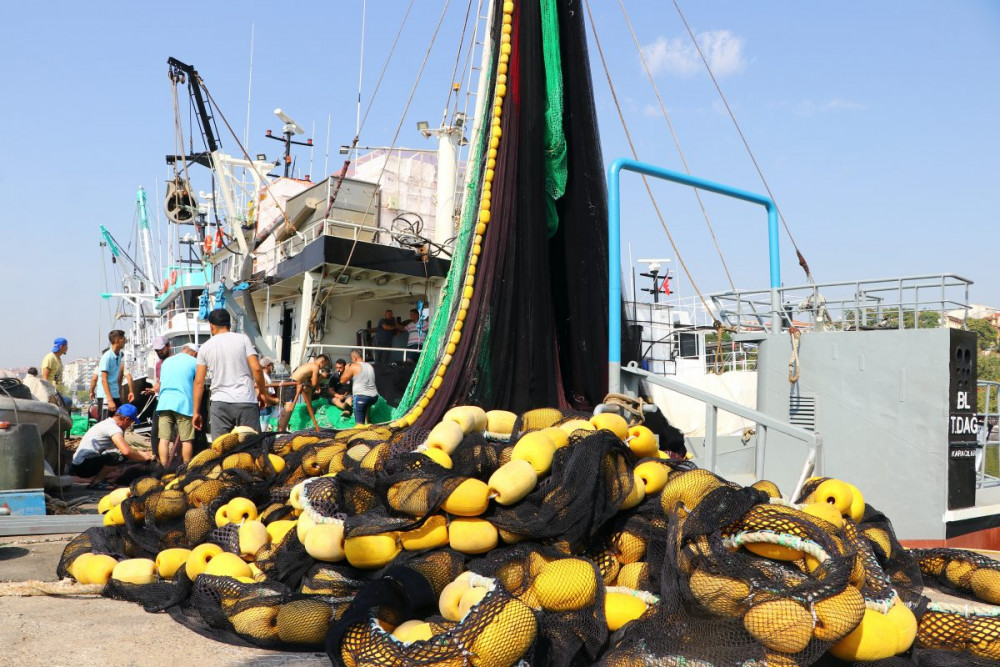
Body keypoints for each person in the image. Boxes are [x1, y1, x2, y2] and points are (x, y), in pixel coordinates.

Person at [192, 309, 276, 440]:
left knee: (221, 449)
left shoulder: (205, 347)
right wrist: (263, 394)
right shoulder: (243, 340)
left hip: (219, 404)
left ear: (211, 326)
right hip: (245, 401)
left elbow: (198, 382)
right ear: (229, 325)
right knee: (252, 447)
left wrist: (196, 412)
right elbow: (257, 369)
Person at [70, 404, 152, 489]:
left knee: (116, 453)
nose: (130, 425)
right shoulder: (114, 428)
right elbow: (126, 451)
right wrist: (144, 457)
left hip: (79, 463)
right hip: (83, 466)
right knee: (118, 455)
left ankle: (100, 479)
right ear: (126, 419)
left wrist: (140, 453)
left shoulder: (107, 423)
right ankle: (96, 483)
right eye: (131, 422)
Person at [155, 343, 199, 467]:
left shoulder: (166, 362)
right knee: (186, 440)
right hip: (183, 404)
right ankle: (186, 468)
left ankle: (164, 468)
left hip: (164, 403)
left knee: (164, 439)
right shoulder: (194, 362)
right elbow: (198, 382)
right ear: (194, 353)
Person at [276, 354, 331, 432]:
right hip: (292, 384)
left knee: (289, 407)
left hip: (291, 382)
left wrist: (315, 385)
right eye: (325, 365)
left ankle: (281, 429)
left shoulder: (308, 365)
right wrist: (321, 377)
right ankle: (281, 430)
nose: (323, 367)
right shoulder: (315, 367)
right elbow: (314, 384)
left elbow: (310, 382)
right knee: (288, 409)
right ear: (322, 362)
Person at [95, 330, 135, 420]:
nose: (125, 341)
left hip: (115, 395)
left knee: (119, 421)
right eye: (124, 339)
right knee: (104, 424)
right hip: (106, 396)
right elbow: (104, 379)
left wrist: (130, 391)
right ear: (117, 340)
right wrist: (109, 400)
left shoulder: (119, 355)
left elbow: (126, 375)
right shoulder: (106, 357)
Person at [339, 348, 379, 425]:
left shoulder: (354, 366)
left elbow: (342, 381)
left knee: (359, 426)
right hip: (374, 397)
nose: (352, 360)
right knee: (367, 416)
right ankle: (368, 423)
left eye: (351, 358)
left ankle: (361, 433)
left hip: (361, 398)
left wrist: (346, 369)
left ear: (354, 357)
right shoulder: (370, 366)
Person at [41, 337, 71, 408]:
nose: (67, 348)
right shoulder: (50, 358)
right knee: (68, 402)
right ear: (61, 346)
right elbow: (45, 377)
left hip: (58, 391)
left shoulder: (58, 359)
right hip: (52, 392)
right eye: (66, 346)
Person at [259, 357, 278, 431]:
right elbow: (262, 394)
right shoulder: (263, 377)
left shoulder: (265, 377)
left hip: (267, 408)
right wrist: (275, 400)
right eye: (271, 364)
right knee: (262, 432)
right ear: (267, 366)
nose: (272, 367)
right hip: (264, 409)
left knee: (283, 412)